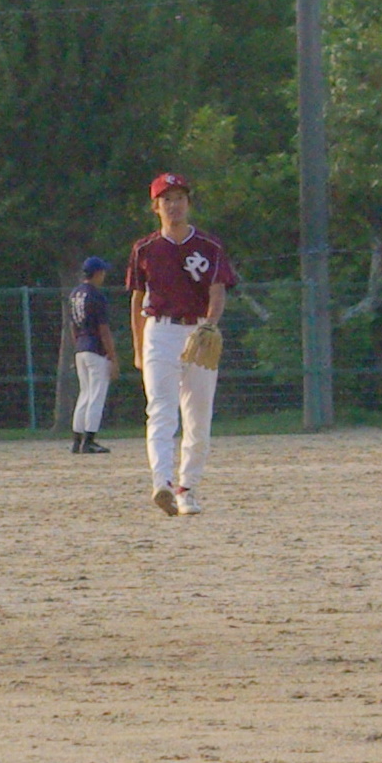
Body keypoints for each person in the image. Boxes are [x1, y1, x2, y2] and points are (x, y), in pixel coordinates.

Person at [126, 172, 238, 516]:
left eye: (179, 198)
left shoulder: (209, 246)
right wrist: (138, 347)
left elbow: (217, 291)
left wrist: (211, 325)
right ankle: (161, 482)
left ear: (188, 203)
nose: (173, 205)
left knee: (198, 416)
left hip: (198, 331)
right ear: (155, 207)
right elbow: (137, 299)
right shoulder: (144, 249)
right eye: (166, 199)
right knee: (160, 409)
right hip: (159, 330)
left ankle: (186, 488)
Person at [68, 256, 117, 455]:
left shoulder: (75, 294)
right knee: (97, 395)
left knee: (85, 394)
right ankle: (89, 440)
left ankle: (76, 440)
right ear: (97, 273)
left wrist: (77, 348)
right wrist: (112, 356)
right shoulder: (96, 296)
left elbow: (72, 325)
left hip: (81, 347)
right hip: (96, 349)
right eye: (102, 272)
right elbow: (103, 329)